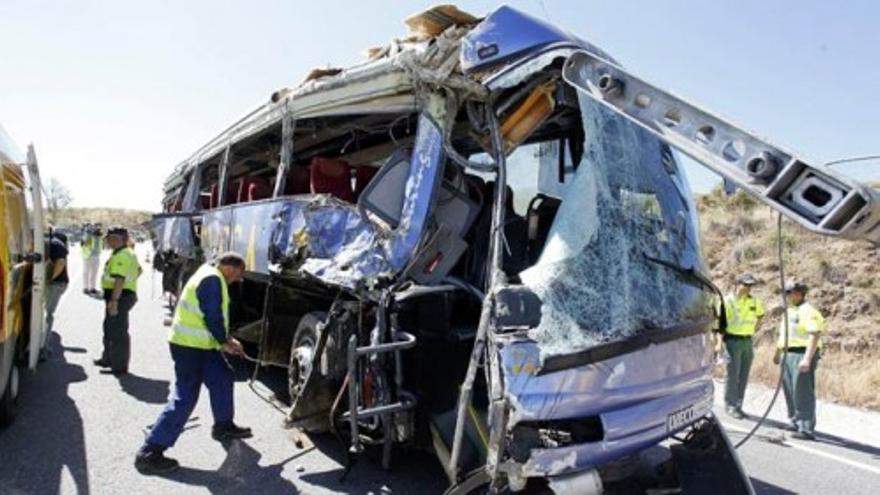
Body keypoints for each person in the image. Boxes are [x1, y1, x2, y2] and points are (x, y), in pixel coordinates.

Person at [135, 252, 251, 475]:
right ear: (231, 268)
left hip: (201, 346)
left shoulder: (207, 272)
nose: (237, 280)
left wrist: (224, 341)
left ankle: (223, 426)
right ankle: (150, 452)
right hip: (191, 347)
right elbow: (212, 316)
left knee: (223, 377)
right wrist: (225, 341)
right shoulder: (213, 279)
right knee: (186, 396)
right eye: (238, 275)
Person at [774, 281, 824, 440]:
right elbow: (784, 334)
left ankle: (806, 427)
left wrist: (807, 359)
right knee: (789, 388)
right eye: (786, 292)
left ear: (800, 293)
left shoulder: (809, 311)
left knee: (802, 391)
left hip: (801, 353)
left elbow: (814, 335)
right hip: (787, 352)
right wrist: (777, 352)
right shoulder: (789, 311)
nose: (787, 295)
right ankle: (795, 420)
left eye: (790, 292)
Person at [93, 227, 141, 374]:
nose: (109, 241)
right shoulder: (122, 253)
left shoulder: (123, 255)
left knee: (118, 331)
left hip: (120, 296)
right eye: (109, 238)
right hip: (119, 294)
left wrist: (114, 301)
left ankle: (119, 367)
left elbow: (119, 279)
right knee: (109, 327)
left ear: (120, 240)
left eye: (112, 238)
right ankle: (108, 358)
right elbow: (139, 270)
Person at [719, 273, 764, 419]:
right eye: (746, 285)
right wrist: (719, 344)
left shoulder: (754, 301)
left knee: (743, 375)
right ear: (738, 284)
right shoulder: (728, 301)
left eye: (751, 285)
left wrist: (752, 330)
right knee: (733, 375)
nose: (749, 288)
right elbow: (720, 324)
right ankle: (730, 405)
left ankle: (738, 405)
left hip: (747, 341)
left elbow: (760, 316)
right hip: (732, 340)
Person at [42, 231, 70, 358]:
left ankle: (43, 347)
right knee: (46, 314)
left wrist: (50, 279)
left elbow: (60, 263)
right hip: (58, 283)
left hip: (55, 284)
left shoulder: (55, 244)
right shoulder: (56, 243)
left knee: (47, 314)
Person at [81, 223, 102, 295]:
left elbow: (99, 244)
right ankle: (86, 288)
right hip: (87, 256)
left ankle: (92, 288)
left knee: (94, 273)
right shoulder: (87, 233)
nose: (97, 228)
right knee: (86, 272)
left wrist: (97, 235)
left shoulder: (98, 235)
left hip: (96, 256)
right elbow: (85, 242)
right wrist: (91, 234)